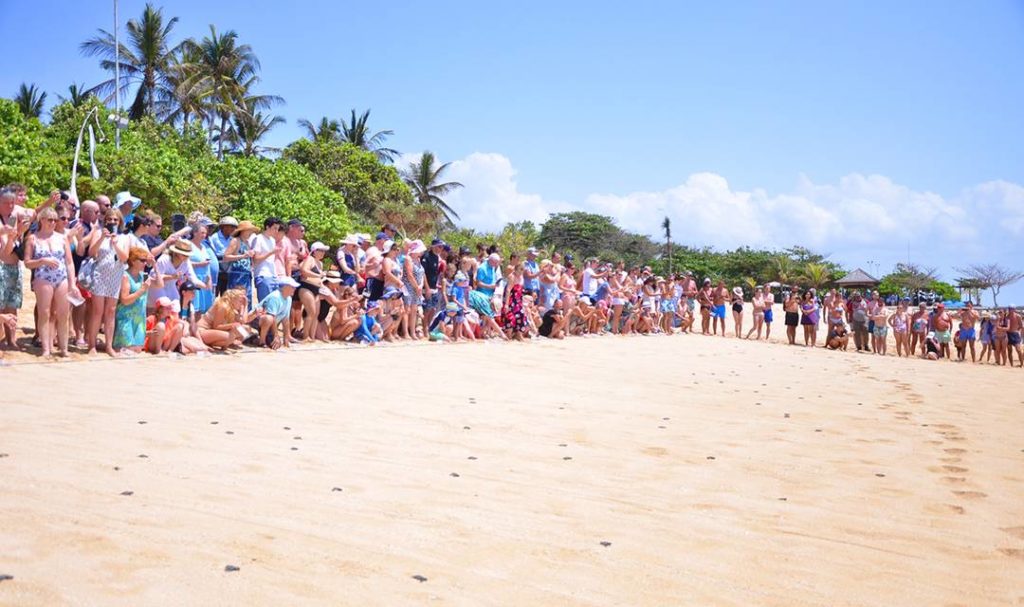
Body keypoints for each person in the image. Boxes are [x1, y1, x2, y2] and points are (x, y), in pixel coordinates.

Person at [24, 207, 79, 358]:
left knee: (63, 313)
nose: (53, 223)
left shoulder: (62, 238)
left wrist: (72, 283)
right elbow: (27, 262)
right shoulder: (32, 238)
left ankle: (64, 348)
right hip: (43, 277)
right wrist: (42, 261)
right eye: (50, 220)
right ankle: (46, 348)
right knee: (44, 313)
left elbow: (69, 262)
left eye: (56, 220)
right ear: (42, 220)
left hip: (61, 277)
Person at [83, 208, 129, 355]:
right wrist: (102, 238)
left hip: (115, 276)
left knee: (111, 311)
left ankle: (109, 345)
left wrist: (115, 243)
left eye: (115, 220)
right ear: (105, 220)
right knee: (97, 311)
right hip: (100, 275)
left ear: (120, 221)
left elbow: (124, 258)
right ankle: (91, 345)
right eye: (110, 219)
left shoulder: (124, 238)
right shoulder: (98, 233)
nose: (112, 222)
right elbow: (91, 252)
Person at [0, 187, 35, 349]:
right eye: (6, 203)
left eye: (12, 203)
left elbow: (34, 213)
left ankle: (11, 340)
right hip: (1, 266)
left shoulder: (14, 218)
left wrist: (20, 231)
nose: (10, 206)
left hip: (15, 267)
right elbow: (4, 252)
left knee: (12, 304)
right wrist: (15, 234)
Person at [147, 240, 204, 312]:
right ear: (176, 253)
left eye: (187, 254)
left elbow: (193, 278)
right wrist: (172, 277)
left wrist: (205, 285)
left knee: (177, 307)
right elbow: (156, 278)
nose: (186, 257)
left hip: (171, 287)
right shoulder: (164, 260)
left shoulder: (186, 262)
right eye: (184, 254)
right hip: (156, 287)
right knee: (163, 306)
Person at [195, 288, 261, 350]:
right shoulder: (223, 306)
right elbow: (216, 326)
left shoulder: (231, 308)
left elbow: (243, 321)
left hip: (211, 331)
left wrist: (248, 308)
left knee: (246, 329)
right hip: (203, 331)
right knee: (230, 336)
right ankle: (211, 343)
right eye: (240, 301)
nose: (241, 304)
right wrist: (231, 325)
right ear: (233, 299)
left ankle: (225, 343)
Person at [296, 241, 329, 341]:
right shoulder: (310, 259)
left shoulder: (321, 263)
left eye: (324, 251)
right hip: (306, 287)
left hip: (316, 289)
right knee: (311, 312)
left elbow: (319, 279)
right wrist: (319, 275)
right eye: (321, 250)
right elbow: (304, 271)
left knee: (316, 314)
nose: (323, 253)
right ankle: (305, 336)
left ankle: (312, 336)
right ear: (314, 251)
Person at [255, 276, 298, 349]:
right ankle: (261, 341)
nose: (295, 289)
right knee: (269, 318)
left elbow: (285, 319)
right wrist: (276, 335)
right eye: (293, 287)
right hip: (257, 322)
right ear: (285, 287)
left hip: (269, 325)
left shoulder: (289, 298)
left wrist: (285, 338)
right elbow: (272, 316)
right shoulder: (275, 297)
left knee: (275, 344)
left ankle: (258, 338)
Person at [223, 220, 258, 303]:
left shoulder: (247, 243)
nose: (251, 233)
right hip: (236, 274)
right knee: (235, 299)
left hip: (246, 275)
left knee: (246, 299)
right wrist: (242, 256)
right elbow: (226, 256)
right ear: (243, 231)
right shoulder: (236, 241)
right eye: (249, 230)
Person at [187, 222, 216, 316]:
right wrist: (199, 264)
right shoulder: (188, 245)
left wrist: (209, 281)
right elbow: (183, 263)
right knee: (193, 308)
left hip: (205, 279)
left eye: (205, 233)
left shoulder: (203, 247)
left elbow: (207, 265)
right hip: (193, 279)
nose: (204, 235)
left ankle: (198, 329)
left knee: (203, 309)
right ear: (195, 233)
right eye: (202, 233)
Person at [252, 217, 285, 303]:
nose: (276, 231)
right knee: (264, 304)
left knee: (273, 304)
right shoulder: (258, 238)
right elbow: (255, 259)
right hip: (262, 275)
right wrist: (271, 253)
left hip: (273, 276)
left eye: (277, 229)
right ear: (267, 227)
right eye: (274, 228)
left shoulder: (272, 240)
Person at [402, 240, 426, 340]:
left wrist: (420, 285)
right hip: (408, 287)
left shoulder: (418, 260)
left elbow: (422, 275)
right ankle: (406, 332)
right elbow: (409, 275)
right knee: (407, 309)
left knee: (414, 310)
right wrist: (417, 287)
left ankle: (412, 332)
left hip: (417, 288)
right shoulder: (409, 259)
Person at [207, 216, 238, 295]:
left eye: (234, 227)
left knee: (227, 294)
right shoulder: (214, 238)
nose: (232, 229)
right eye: (231, 226)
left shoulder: (233, 238)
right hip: (218, 268)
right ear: (223, 227)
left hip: (229, 269)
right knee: (215, 293)